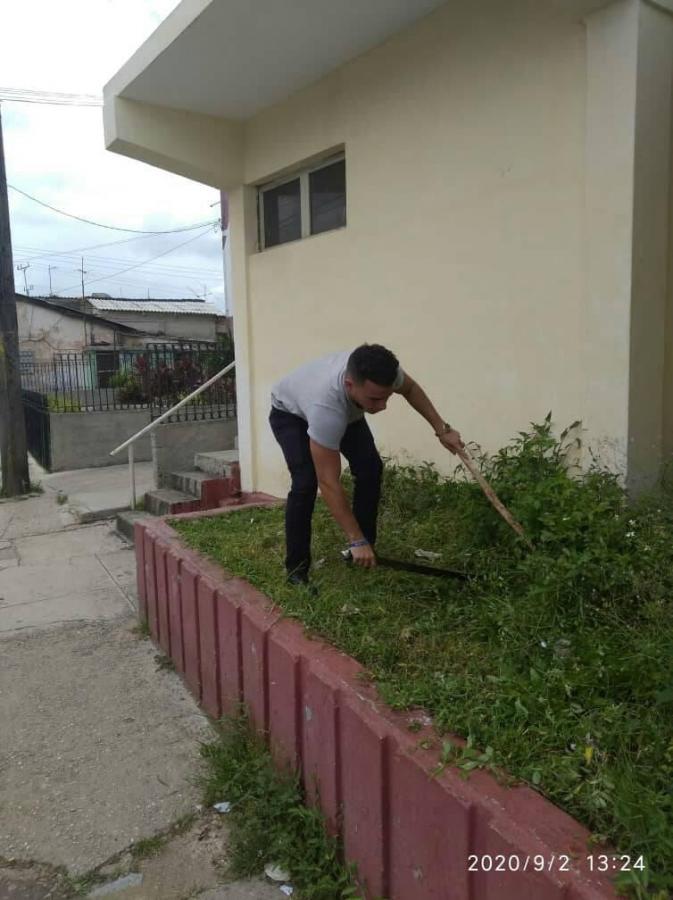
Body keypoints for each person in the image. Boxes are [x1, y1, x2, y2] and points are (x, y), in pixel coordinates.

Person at [269, 343, 464, 584]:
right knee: (305, 483)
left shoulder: (382, 373)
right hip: (290, 415)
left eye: (386, 397)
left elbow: (411, 388)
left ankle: (362, 552)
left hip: (348, 408)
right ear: (350, 385)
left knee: (370, 468)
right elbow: (328, 482)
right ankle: (296, 570)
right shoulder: (326, 409)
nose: (382, 407)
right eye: (375, 399)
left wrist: (441, 429)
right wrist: (354, 537)